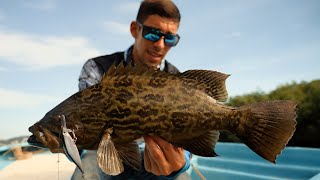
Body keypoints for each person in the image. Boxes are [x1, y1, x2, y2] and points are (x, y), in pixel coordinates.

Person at [71, 0, 191, 179]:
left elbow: (190, 131)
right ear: (135, 29)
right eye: (152, 34)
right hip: (106, 157)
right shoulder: (97, 68)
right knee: (88, 170)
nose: (160, 44)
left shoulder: (177, 79)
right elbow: (83, 126)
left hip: (154, 160)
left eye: (170, 38)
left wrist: (182, 164)